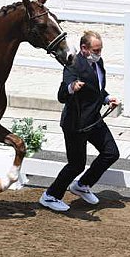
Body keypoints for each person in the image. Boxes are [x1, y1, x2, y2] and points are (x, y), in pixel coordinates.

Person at [39, 30, 120, 211]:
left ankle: (82, 185)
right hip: (75, 123)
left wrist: (107, 99)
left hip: (94, 120)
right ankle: (50, 196)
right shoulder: (73, 64)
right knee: (76, 164)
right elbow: (61, 95)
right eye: (95, 50)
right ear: (84, 48)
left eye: (100, 50)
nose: (98, 54)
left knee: (111, 153)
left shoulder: (98, 63)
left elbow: (96, 88)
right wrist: (71, 87)